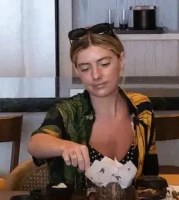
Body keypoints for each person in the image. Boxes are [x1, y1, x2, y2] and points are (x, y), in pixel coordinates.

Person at [28, 23, 159, 191]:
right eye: (85, 68)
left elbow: (151, 174)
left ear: (121, 60)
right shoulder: (67, 111)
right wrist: (65, 146)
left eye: (104, 64)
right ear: (77, 70)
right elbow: (35, 143)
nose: (96, 75)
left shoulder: (141, 107)